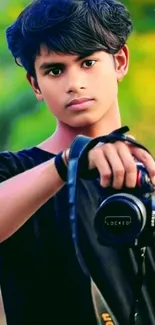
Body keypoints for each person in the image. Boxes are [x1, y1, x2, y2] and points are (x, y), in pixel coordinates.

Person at [1, 0, 155, 324]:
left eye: (87, 62)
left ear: (120, 61)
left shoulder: (148, 173)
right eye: (55, 70)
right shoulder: (13, 173)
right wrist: (67, 163)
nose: (74, 83)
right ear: (35, 84)